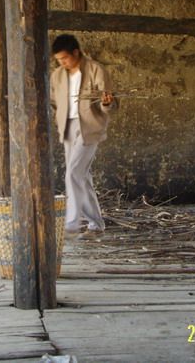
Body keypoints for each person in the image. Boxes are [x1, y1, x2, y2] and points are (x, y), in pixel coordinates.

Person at [49, 34, 118, 240]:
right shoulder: (57, 75)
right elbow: (53, 102)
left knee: (73, 173)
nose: (62, 63)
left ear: (76, 52)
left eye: (65, 58)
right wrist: (57, 117)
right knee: (81, 175)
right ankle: (95, 225)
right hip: (67, 127)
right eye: (58, 60)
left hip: (89, 127)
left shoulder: (96, 70)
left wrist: (107, 103)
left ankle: (71, 222)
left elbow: (110, 103)